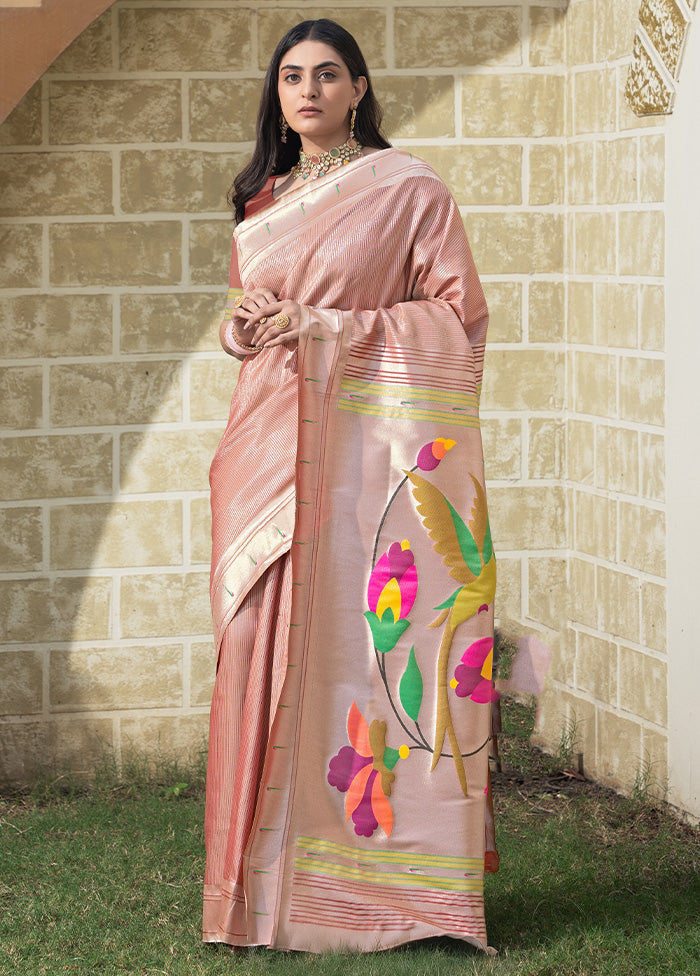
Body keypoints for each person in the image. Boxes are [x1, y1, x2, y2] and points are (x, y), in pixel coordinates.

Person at [204, 18, 498, 955]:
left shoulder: (408, 190)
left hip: (361, 453)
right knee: (254, 633)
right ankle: (252, 894)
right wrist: (244, 327)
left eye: (328, 75)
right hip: (263, 442)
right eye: (292, 76)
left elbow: (457, 320)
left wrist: (325, 327)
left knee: (369, 641)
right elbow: (249, 314)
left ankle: (386, 894)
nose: (308, 91)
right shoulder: (264, 195)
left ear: (359, 88)